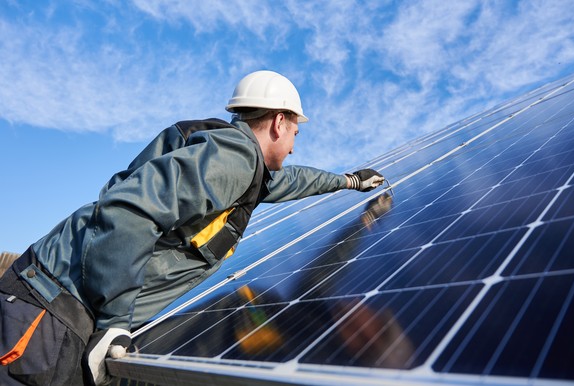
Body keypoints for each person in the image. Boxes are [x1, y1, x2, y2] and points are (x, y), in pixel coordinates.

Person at [0, 70, 385, 386]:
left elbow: (293, 180)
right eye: (294, 135)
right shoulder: (233, 159)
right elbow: (129, 212)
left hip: (60, 312)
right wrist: (117, 321)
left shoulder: (241, 169)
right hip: (51, 314)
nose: (293, 147)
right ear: (279, 122)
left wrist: (348, 181)